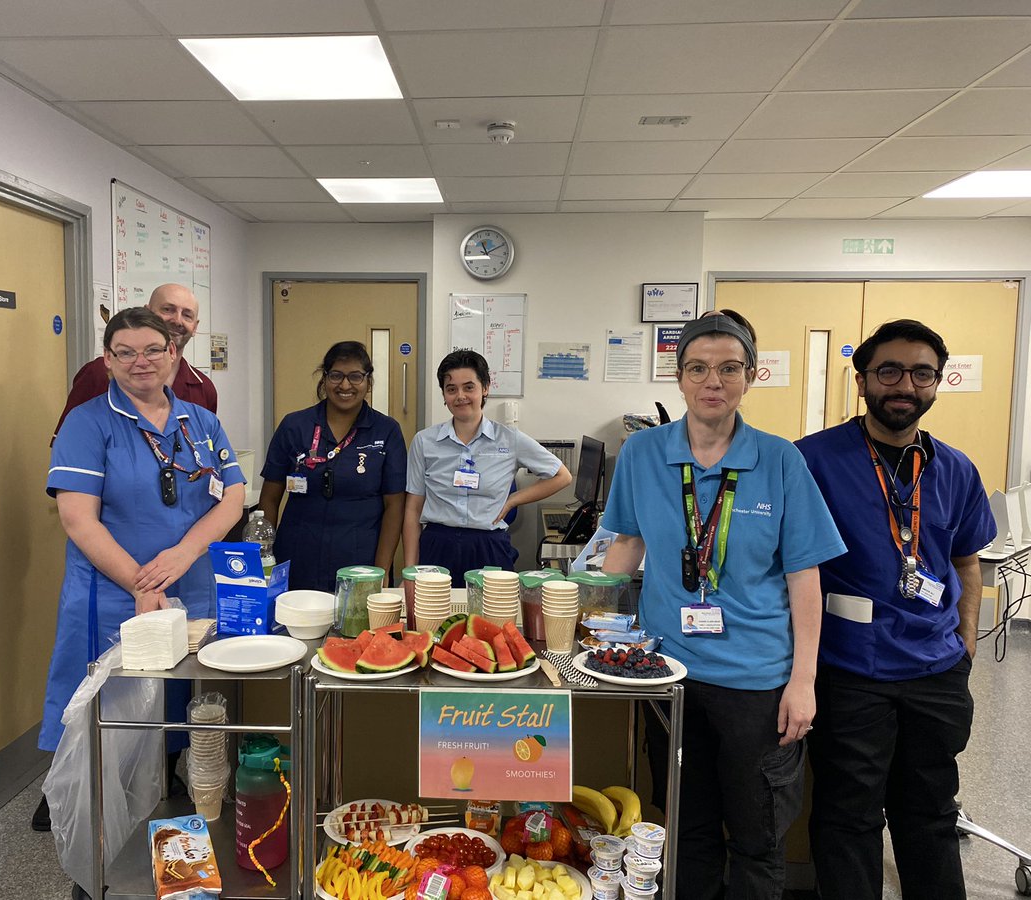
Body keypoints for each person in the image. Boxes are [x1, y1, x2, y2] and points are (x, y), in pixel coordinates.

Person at [601, 313, 845, 900]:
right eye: (699, 368)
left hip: (756, 680)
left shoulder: (780, 460)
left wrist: (803, 681)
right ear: (679, 377)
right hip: (668, 676)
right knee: (687, 826)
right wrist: (587, 624)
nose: (714, 381)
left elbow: (804, 576)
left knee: (759, 836)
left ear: (750, 375)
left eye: (729, 368)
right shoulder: (641, 453)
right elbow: (627, 545)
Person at [795, 319, 995, 900]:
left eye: (921, 373)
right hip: (850, 669)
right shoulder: (813, 460)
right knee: (849, 815)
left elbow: (966, 562)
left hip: (936, 671)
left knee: (931, 810)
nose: (904, 384)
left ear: (937, 383)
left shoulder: (955, 468)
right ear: (862, 382)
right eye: (889, 371)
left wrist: (965, 644)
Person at [33, 307, 245, 830]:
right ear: (108, 361)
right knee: (104, 709)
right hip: (112, 593)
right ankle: (78, 804)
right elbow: (78, 520)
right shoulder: (88, 424)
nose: (140, 362)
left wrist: (184, 554)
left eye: (153, 349)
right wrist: (140, 582)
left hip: (190, 584)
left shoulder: (200, 421)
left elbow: (233, 497)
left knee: (178, 697)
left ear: (173, 354)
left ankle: (165, 796)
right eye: (125, 352)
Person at [404, 350, 571, 586]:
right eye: (451, 389)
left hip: (489, 547)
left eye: (469, 387)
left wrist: (514, 499)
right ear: (444, 394)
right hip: (437, 545)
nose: (460, 396)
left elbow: (561, 476)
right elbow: (412, 510)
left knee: (492, 619)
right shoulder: (424, 441)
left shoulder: (509, 439)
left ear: (485, 388)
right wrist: (410, 571)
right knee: (432, 619)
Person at [259, 341, 407, 592]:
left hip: (361, 560)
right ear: (324, 379)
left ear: (368, 382)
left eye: (356, 377)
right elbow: (269, 499)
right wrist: (266, 559)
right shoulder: (294, 426)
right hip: (298, 555)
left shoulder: (386, 430)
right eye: (336, 375)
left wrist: (382, 571)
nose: (345, 385)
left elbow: (395, 506)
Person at [51, 283, 216, 442]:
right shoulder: (99, 373)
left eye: (187, 315)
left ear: (195, 327)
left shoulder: (204, 388)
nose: (177, 320)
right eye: (168, 309)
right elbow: (67, 445)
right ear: (147, 312)